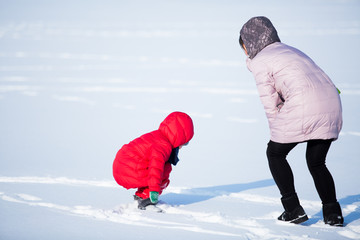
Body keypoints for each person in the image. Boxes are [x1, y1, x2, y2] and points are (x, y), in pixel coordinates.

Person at [239, 16, 344, 226]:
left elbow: (270, 102)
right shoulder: (290, 49)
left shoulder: (261, 61)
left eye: (243, 47)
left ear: (249, 43)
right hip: (332, 104)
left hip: (305, 105)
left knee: (275, 153)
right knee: (317, 162)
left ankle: (292, 209)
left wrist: (277, 130)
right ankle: (333, 213)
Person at [113, 111, 194, 209]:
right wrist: (155, 192)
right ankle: (147, 198)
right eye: (184, 143)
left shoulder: (158, 136)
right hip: (128, 170)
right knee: (165, 169)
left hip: (121, 166)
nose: (182, 147)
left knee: (159, 167)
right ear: (179, 137)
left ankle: (142, 194)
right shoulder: (163, 145)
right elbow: (155, 168)